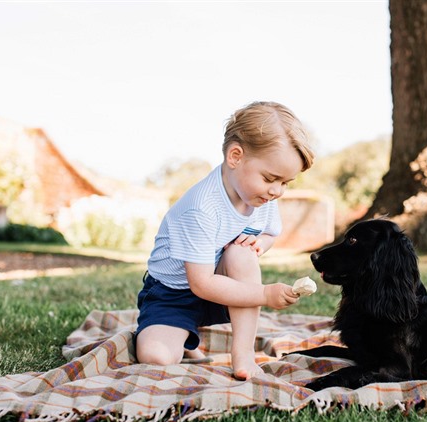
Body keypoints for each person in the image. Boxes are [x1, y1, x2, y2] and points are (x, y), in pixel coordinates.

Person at [135, 101, 315, 380]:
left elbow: (268, 233)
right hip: (174, 293)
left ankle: (243, 355)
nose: (277, 191)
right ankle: (180, 335)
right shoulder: (201, 208)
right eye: (271, 178)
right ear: (235, 156)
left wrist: (259, 245)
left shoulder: (260, 195)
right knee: (156, 358)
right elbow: (201, 283)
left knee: (242, 255)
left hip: (223, 286)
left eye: (286, 182)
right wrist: (266, 294)